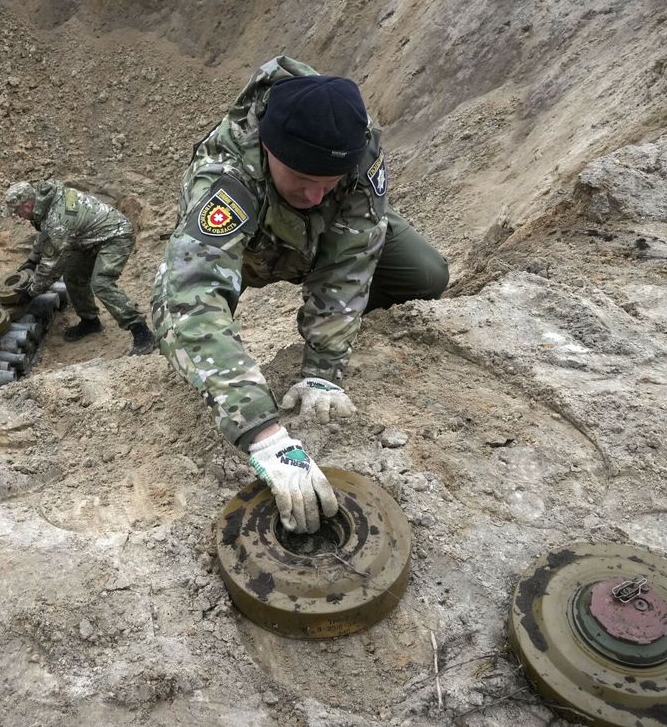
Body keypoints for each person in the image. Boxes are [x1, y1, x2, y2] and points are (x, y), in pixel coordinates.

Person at [151, 56, 449, 533]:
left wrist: (323, 371)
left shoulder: (355, 141)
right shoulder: (226, 175)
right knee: (198, 331)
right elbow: (188, 298)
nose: (315, 194)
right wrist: (264, 434)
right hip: (252, 247)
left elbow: (353, 253)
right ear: (270, 149)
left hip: (322, 239)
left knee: (426, 274)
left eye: (328, 184)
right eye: (303, 181)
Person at [4, 180, 155, 356]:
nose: (18, 216)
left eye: (17, 211)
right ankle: (90, 320)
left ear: (27, 205)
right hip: (90, 237)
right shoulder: (46, 202)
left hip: (116, 236)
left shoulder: (58, 220)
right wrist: (33, 259)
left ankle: (141, 331)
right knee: (73, 275)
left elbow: (51, 266)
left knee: (102, 283)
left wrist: (31, 292)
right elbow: (45, 234)